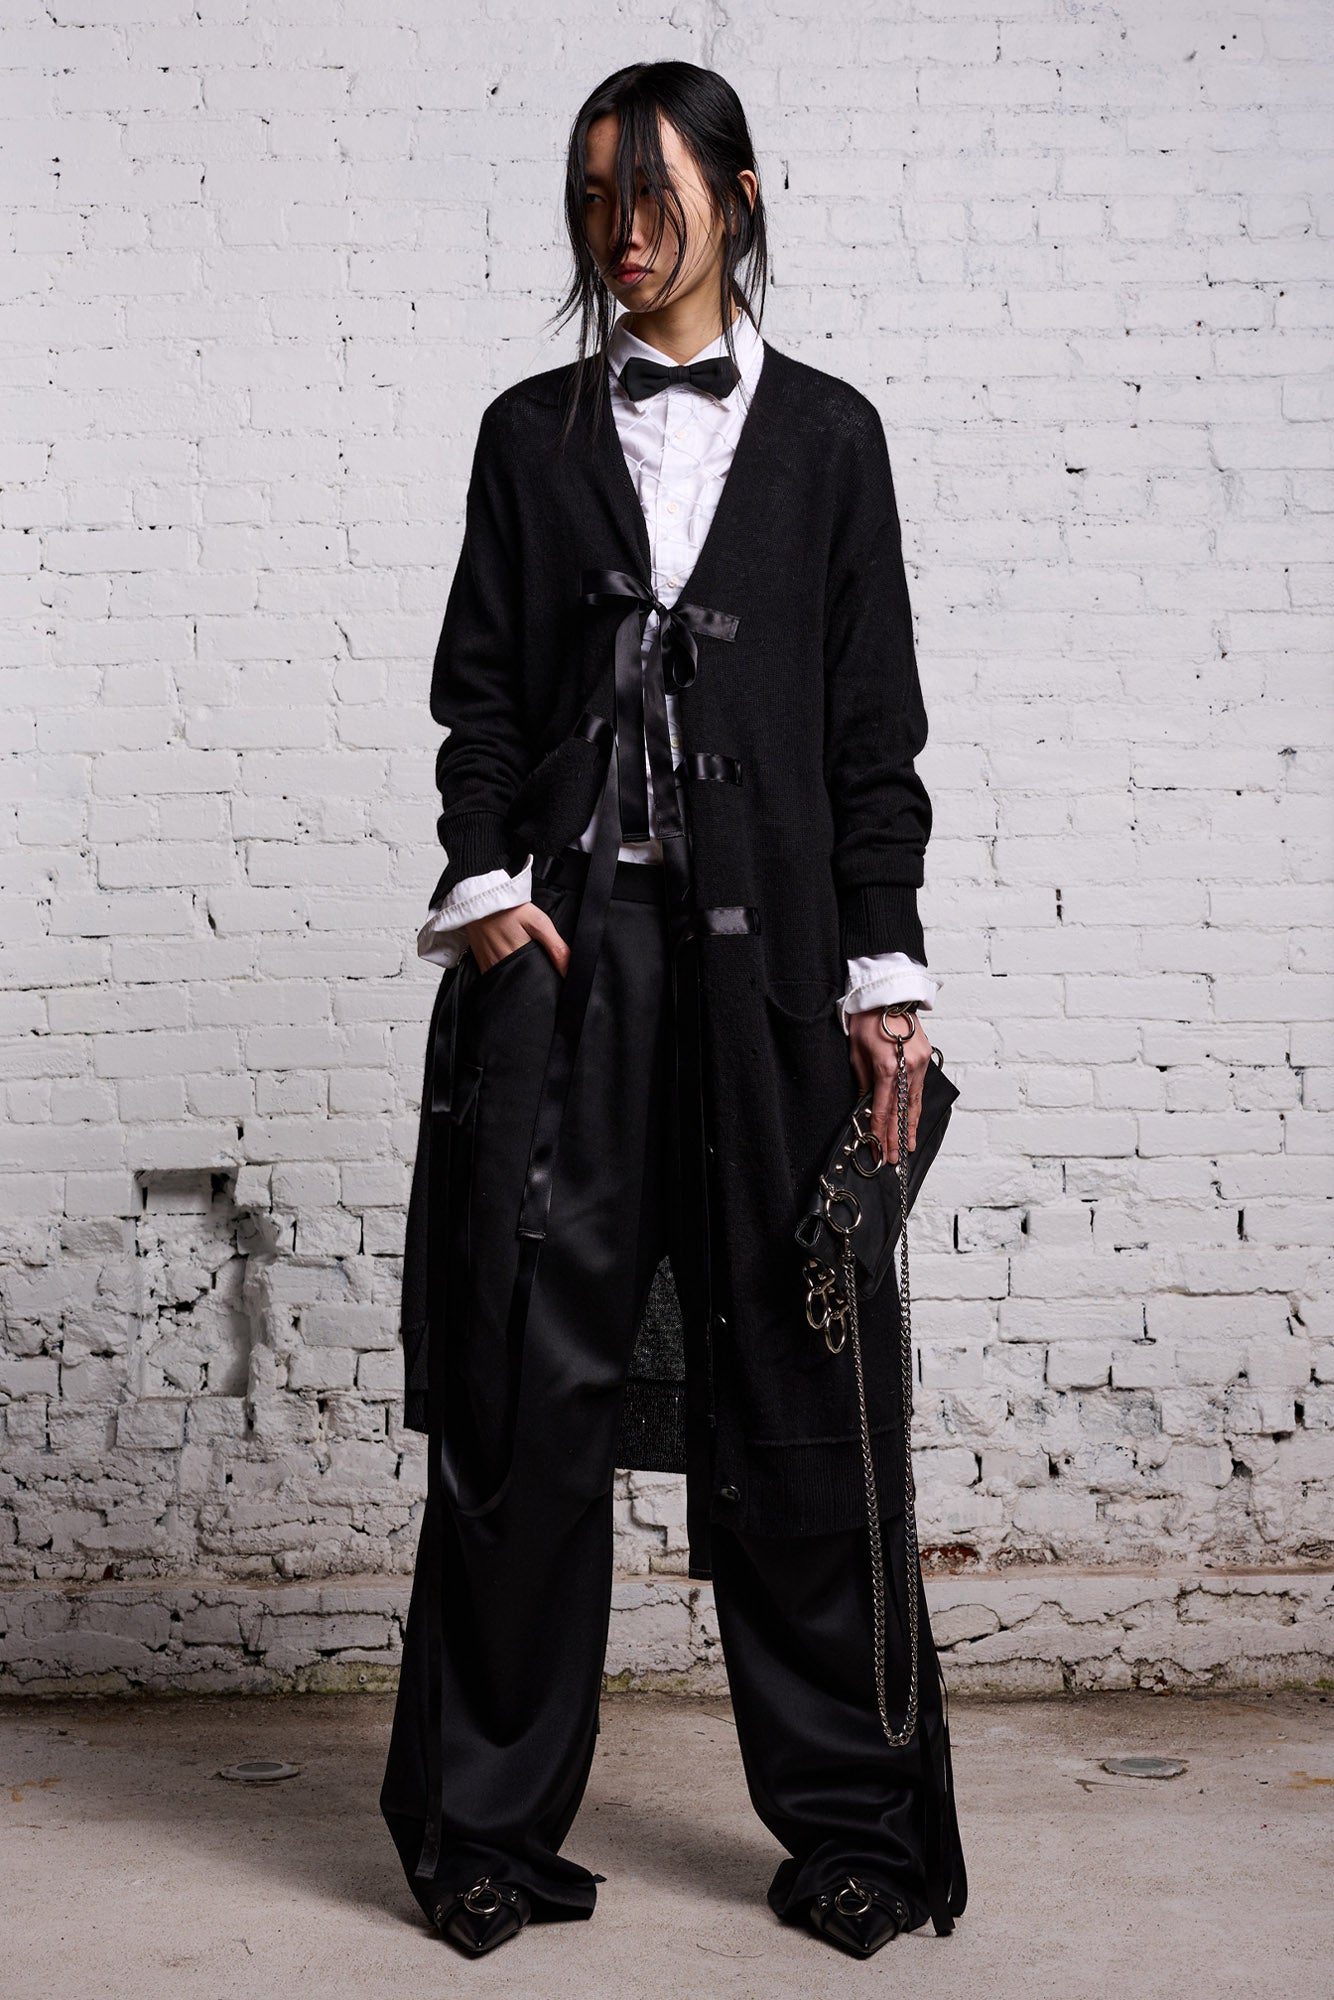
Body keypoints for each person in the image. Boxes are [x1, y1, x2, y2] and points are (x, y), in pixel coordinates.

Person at [381, 58, 967, 1962]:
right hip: (567, 979)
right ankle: (482, 1833)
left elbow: (871, 733)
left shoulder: (832, 439)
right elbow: (481, 695)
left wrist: (883, 978)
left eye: (648, 195)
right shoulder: (527, 434)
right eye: (589, 203)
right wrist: (488, 894)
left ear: (735, 191)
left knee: (805, 1394)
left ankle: (853, 1830)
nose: (618, 236)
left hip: (774, 978)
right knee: (524, 1396)